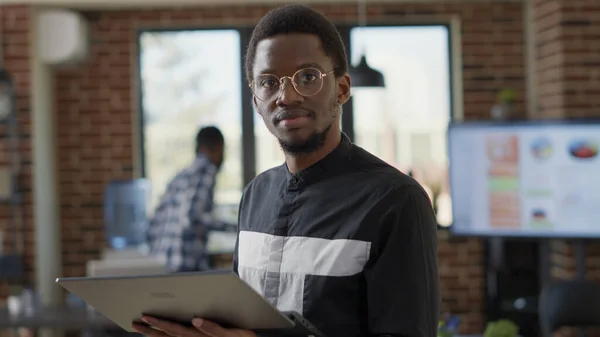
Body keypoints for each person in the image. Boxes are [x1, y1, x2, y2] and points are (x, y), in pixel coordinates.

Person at [133, 4, 440, 337]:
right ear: (255, 101)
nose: (287, 95)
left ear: (342, 88)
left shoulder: (396, 202)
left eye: (307, 77)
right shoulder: (255, 196)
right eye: (268, 82)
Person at [146, 126, 236, 272]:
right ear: (219, 147)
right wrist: (237, 228)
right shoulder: (206, 170)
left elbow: (153, 223)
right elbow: (194, 216)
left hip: (162, 264)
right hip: (185, 266)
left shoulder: (181, 175)